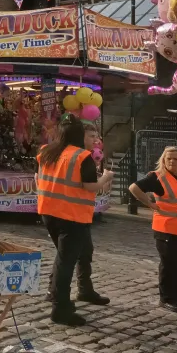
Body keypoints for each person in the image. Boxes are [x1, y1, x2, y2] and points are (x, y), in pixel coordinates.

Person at [37, 114, 114, 327]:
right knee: (66, 262)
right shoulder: (81, 156)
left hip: (48, 211)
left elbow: (39, 178)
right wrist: (106, 177)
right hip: (72, 215)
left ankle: (83, 290)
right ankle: (60, 308)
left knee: (78, 252)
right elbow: (90, 186)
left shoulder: (46, 151)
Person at [129, 146, 177, 313]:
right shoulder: (158, 177)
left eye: (175, 158)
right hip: (168, 230)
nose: (171, 161)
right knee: (169, 265)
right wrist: (149, 203)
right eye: (167, 158)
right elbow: (134, 188)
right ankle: (167, 298)